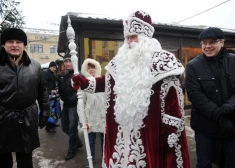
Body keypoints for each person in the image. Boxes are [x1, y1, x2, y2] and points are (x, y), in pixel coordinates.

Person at [72, 10, 190, 168]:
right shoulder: (120, 62)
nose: (128, 42)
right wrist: (85, 83)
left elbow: (173, 101)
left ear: (145, 38)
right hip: (121, 134)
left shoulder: (164, 63)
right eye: (127, 37)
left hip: (150, 133)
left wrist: (171, 129)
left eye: (133, 37)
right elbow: (107, 82)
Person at [185, 27, 235, 168]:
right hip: (205, 126)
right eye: (204, 43)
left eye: (212, 42)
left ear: (222, 43)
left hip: (231, 125)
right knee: (204, 163)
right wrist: (221, 117)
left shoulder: (233, 61)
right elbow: (195, 96)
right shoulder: (193, 65)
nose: (207, 46)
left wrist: (229, 107)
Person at [0, 28, 50, 168]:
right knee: (3, 159)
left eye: (19, 42)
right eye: (10, 41)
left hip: (27, 117)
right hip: (3, 118)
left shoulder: (35, 66)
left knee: (26, 158)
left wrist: (45, 112)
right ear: (4, 44)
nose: (15, 45)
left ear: (24, 44)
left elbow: (43, 91)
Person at [80, 58, 106, 166]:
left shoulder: (102, 81)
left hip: (102, 116)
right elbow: (82, 103)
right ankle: (91, 158)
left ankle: (105, 158)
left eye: (93, 67)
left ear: (97, 68)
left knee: (104, 141)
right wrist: (83, 120)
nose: (91, 70)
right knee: (90, 141)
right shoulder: (84, 84)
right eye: (89, 68)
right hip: (90, 117)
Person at [58, 53, 83, 160]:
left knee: (72, 130)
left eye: (70, 61)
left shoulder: (78, 74)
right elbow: (61, 89)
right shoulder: (61, 75)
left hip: (74, 106)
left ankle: (72, 150)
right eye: (66, 61)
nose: (68, 64)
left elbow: (86, 84)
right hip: (66, 105)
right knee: (65, 128)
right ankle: (77, 141)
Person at [42, 61, 58, 133]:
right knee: (49, 111)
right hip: (48, 95)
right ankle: (48, 127)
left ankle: (53, 123)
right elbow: (44, 85)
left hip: (53, 95)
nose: (55, 69)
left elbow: (53, 84)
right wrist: (49, 91)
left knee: (53, 111)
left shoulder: (52, 74)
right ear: (50, 67)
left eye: (55, 67)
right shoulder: (46, 73)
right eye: (53, 67)